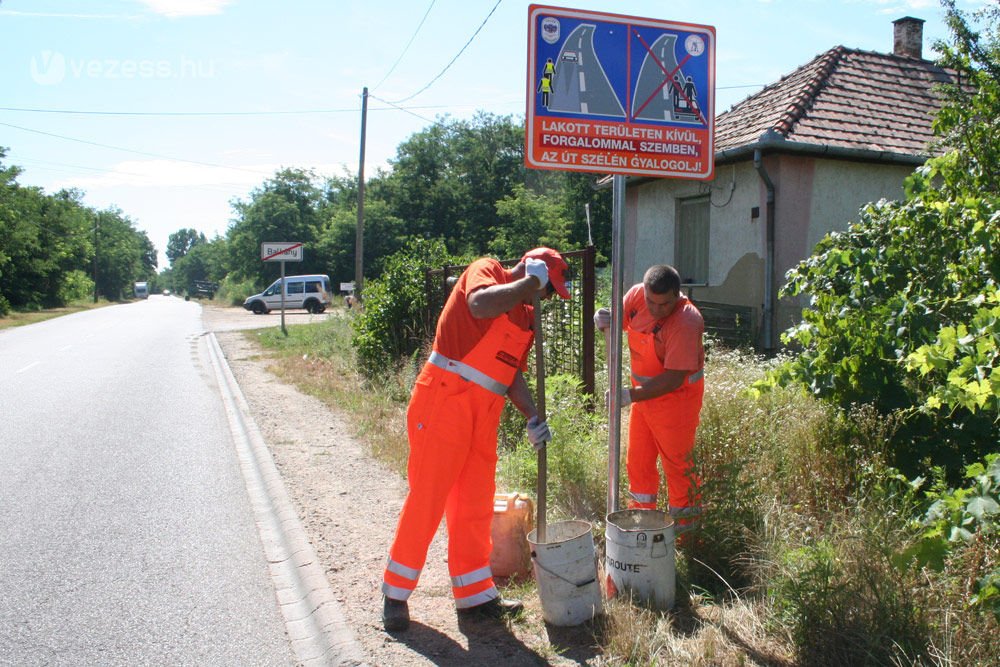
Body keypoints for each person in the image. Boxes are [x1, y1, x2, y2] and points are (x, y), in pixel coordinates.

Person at [381, 247, 572, 632]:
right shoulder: (488, 272)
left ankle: (474, 596)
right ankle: (395, 594)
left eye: (549, 292)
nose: (547, 297)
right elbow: (480, 305)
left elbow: (512, 374)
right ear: (531, 270)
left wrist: (533, 416)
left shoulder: (526, 316)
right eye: (549, 289)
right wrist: (527, 284)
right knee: (428, 497)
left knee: (475, 503)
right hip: (445, 398)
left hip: (484, 413)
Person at [595, 264, 705, 529]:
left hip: (675, 403)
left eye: (664, 305)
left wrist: (628, 395)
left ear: (677, 296)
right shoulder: (635, 296)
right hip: (643, 402)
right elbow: (617, 323)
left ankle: (686, 538)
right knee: (638, 463)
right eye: (650, 302)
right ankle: (641, 527)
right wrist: (605, 321)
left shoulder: (686, 321)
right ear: (643, 291)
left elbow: (673, 378)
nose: (656, 310)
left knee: (678, 468)